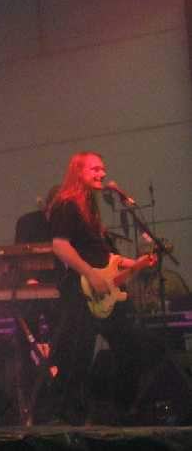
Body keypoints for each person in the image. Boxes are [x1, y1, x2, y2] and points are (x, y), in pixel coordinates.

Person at [43, 151, 163, 424]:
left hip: (104, 290)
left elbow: (105, 257)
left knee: (133, 346)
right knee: (78, 354)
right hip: (81, 289)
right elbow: (60, 245)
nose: (102, 174)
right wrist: (89, 273)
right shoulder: (66, 204)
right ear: (79, 172)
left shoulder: (91, 207)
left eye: (103, 169)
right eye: (95, 169)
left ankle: (117, 411)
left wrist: (137, 263)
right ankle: (68, 418)